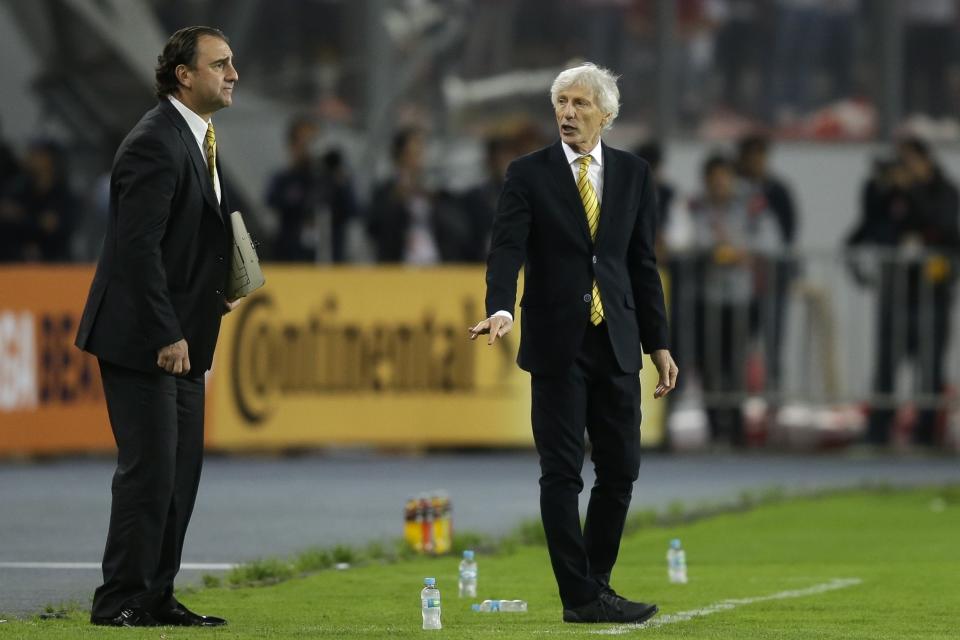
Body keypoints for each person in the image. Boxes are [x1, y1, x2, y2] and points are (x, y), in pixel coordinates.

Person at [470, 62, 677, 624]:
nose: (567, 112)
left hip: (616, 340)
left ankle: (596, 583)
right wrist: (499, 307)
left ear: (606, 115)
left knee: (620, 471)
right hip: (558, 343)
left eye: (581, 104)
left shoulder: (634, 174)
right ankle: (578, 596)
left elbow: (641, 263)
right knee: (561, 472)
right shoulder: (528, 173)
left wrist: (658, 343)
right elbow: (506, 249)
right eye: (561, 102)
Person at [74, 26, 239, 627]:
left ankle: (155, 596)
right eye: (220, 64)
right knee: (149, 472)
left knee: (180, 476)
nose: (233, 74)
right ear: (184, 76)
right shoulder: (154, 142)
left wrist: (207, 299)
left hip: (183, 333)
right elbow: (136, 251)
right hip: (145, 338)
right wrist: (168, 331)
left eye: (232, 64)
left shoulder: (198, 137)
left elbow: (178, 242)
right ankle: (118, 599)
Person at [847, 137, 960, 446]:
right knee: (886, 364)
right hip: (895, 293)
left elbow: (944, 227)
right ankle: (878, 430)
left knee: (930, 367)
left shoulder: (944, 190)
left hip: (931, 294)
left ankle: (927, 433)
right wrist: (881, 186)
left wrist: (913, 189)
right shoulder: (891, 192)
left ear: (926, 161)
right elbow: (868, 226)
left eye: (910, 161)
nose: (904, 168)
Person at [688, 153, 779, 444]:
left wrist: (739, 250)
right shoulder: (696, 206)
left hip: (741, 297)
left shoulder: (752, 206)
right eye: (713, 180)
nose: (720, 185)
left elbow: (771, 240)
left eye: (724, 178)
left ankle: (739, 427)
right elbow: (688, 240)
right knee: (709, 364)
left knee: (737, 364)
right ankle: (715, 427)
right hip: (708, 297)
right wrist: (715, 249)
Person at [366, 127, 474, 263]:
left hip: (435, 264)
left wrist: (434, 201)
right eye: (410, 154)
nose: (416, 161)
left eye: (419, 154)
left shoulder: (436, 190)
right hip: (397, 267)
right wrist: (397, 199)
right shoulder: (385, 192)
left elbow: (459, 230)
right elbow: (374, 229)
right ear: (398, 157)